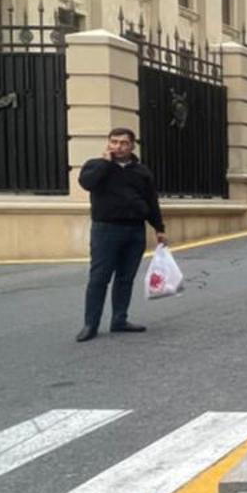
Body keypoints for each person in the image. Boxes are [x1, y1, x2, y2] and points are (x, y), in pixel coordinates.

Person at [75, 127, 165, 342]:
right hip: (106, 230)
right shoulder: (96, 166)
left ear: (132, 145)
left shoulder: (141, 171)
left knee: (126, 278)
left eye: (124, 143)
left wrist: (159, 228)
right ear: (108, 144)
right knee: (99, 278)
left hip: (135, 230)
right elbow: (86, 183)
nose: (118, 146)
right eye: (114, 142)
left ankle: (119, 319)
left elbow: (152, 201)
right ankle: (90, 324)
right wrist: (106, 163)